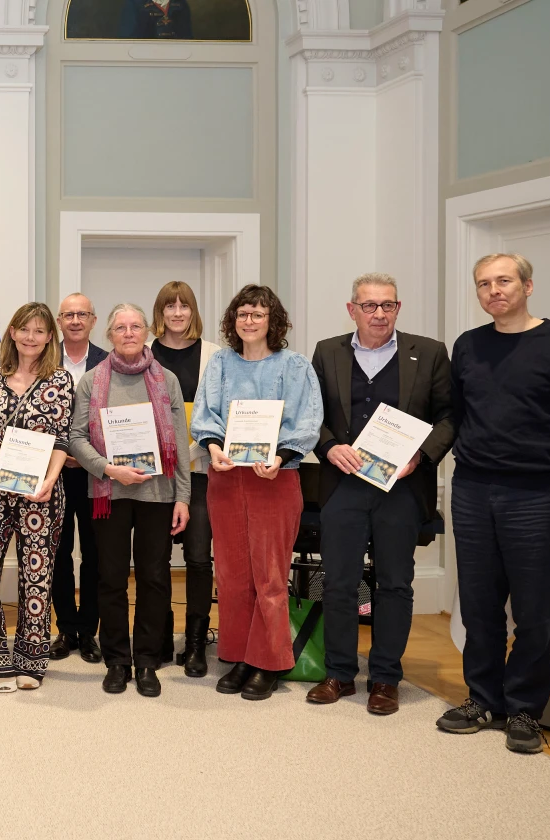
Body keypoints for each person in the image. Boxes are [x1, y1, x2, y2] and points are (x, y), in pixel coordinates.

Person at [438, 253, 550, 754]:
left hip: (539, 495)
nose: (494, 291)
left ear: (528, 286)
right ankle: (483, 699)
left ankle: (526, 709)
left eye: (504, 281)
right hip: (471, 490)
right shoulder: (468, 345)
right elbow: (454, 417)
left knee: (534, 611)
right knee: (480, 605)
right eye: (484, 284)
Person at [307, 273, 454, 715]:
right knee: (338, 583)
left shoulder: (428, 353)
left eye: (387, 305)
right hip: (343, 488)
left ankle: (386, 678)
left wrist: (421, 457)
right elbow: (311, 414)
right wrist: (329, 446)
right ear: (352, 309)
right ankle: (338, 674)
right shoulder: (327, 351)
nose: (379, 313)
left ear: (398, 308)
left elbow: (449, 416)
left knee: (394, 584)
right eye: (369, 306)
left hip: (402, 489)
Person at [190, 284, 322, 701]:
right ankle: (240, 656)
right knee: (231, 575)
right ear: (233, 321)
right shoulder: (220, 364)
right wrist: (213, 447)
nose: (249, 320)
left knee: (269, 575)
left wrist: (281, 456)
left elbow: (307, 420)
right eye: (243, 313)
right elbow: (206, 412)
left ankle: (269, 661)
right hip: (226, 477)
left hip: (275, 479)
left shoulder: (294, 365)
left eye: (258, 314)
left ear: (273, 321)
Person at [66, 303, 191, 697]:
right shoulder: (91, 380)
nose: (129, 332)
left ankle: (148, 661)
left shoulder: (166, 379)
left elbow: (182, 445)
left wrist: (183, 497)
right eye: (121, 327)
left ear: (146, 331)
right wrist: (107, 469)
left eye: (136, 326)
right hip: (109, 493)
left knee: (155, 579)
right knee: (111, 578)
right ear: (111, 334)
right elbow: (75, 438)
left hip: (158, 494)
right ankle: (118, 660)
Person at [0, 303, 73, 696]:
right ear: (12, 333)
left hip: (41, 494)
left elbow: (62, 439)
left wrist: (50, 479)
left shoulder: (61, 381)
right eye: (24, 329)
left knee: (36, 577)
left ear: (48, 337)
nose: (30, 337)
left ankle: (30, 662)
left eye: (39, 331)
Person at [149, 281, 221, 676]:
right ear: (158, 312)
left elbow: (223, 411)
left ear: (193, 312)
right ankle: (159, 637)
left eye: (184, 306)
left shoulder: (215, 355)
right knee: (155, 559)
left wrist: (193, 451)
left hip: (200, 473)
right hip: (154, 476)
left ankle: (195, 643)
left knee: (197, 558)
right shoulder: (143, 352)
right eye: (169, 306)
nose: (177, 313)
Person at [51, 292, 106, 663]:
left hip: (96, 475)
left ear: (93, 319)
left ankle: (89, 631)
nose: (74, 320)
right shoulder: (41, 358)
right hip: (52, 474)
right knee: (56, 552)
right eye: (68, 314)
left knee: (95, 555)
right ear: (59, 320)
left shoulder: (108, 362)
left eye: (81, 314)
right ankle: (65, 629)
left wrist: (86, 455)